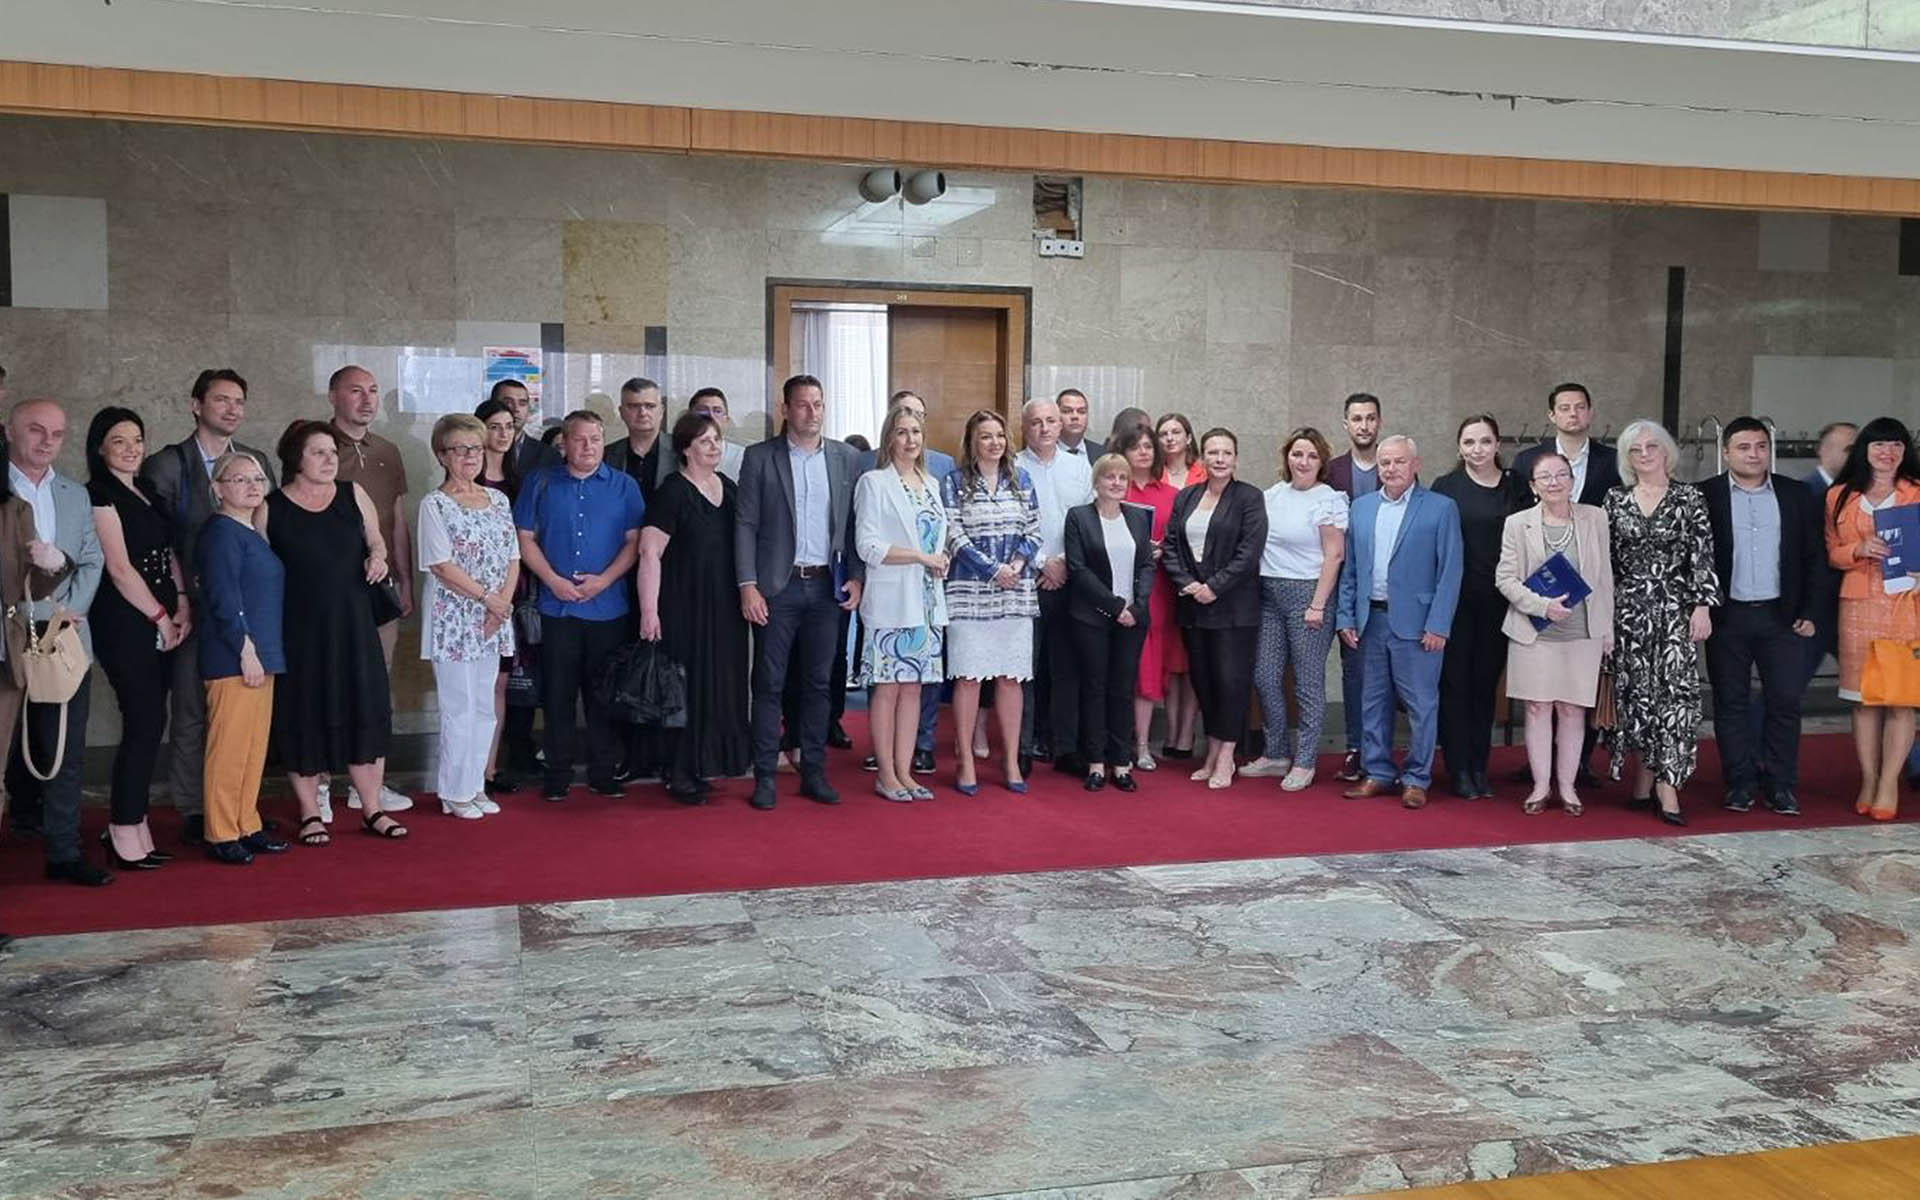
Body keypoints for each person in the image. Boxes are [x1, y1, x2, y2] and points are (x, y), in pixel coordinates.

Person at [139, 368, 277, 846]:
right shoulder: (167, 464)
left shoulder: (255, 460)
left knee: (242, 717)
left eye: (239, 400)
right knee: (192, 710)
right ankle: (195, 809)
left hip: (244, 606)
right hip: (190, 605)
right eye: (221, 399)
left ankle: (238, 811)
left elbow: (262, 531)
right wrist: (177, 600)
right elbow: (158, 541)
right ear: (196, 405)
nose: (232, 409)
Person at [258, 421, 405, 843]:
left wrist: (377, 558)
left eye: (332, 452)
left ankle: (372, 808)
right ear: (296, 459)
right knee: (303, 713)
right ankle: (310, 812)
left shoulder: (351, 494)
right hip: (299, 631)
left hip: (354, 624)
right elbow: (259, 569)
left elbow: (376, 541)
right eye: (318, 452)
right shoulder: (270, 508)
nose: (329, 460)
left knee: (364, 709)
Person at [736, 375, 864, 810]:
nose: (812, 412)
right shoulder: (760, 457)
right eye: (804, 405)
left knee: (818, 683)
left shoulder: (846, 458)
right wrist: (748, 585)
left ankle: (814, 771)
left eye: (818, 404)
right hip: (777, 587)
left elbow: (853, 524)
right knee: (768, 683)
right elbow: (746, 524)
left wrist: (856, 576)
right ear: (786, 409)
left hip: (827, 587)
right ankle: (765, 775)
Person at [513, 410, 645, 801]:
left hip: (609, 609)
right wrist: (552, 580)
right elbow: (524, 538)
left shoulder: (624, 486)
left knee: (604, 695)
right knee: (558, 695)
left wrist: (604, 580)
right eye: (579, 439)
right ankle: (558, 774)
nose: (588, 447)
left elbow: (635, 542)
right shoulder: (540, 482)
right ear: (564, 444)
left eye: (595, 439)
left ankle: (604, 772)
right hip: (556, 609)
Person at [5, 399, 110, 885]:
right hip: (5, 635)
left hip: (62, 634)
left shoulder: (74, 493)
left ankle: (64, 852)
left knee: (64, 750)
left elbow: (92, 559)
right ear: (9, 431)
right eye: (35, 429)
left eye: (57, 433)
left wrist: (72, 610)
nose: (47, 441)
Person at [1700, 418, 1822, 817]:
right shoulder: (1705, 495)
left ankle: (1781, 785)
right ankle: (1740, 783)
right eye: (1743, 447)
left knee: (1784, 701)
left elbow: (1813, 556)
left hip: (1781, 617)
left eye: (1761, 446)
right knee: (1730, 703)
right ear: (1725, 453)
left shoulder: (1796, 494)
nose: (1753, 454)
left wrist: (1810, 610)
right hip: (1727, 616)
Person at [1335, 435, 1463, 810]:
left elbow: (1450, 570)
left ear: (1416, 464)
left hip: (1419, 625)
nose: (1391, 469)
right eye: (1385, 463)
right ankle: (1377, 772)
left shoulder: (1441, 508)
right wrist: (1346, 616)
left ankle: (1416, 778)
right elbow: (1351, 569)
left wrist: (1439, 624)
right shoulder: (1361, 508)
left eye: (1399, 462)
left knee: (1421, 705)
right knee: (1372, 702)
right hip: (1370, 620)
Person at [86, 407, 189, 870]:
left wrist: (182, 603)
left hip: (164, 616)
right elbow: (120, 569)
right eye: (119, 440)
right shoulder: (98, 495)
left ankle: (135, 822)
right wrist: (160, 617)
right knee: (143, 720)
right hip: (126, 622)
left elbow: (169, 552)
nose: (131, 449)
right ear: (100, 447)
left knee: (152, 721)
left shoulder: (148, 491)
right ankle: (122, 826)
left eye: (137, 439)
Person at [1603, 419, 1718, 826]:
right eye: (1635, 449)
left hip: (1674, 610)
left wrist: (1702, 606)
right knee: (1637, 698)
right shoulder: (1615, 499)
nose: (1645, 454)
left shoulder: (1690, 497)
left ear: (1667, 451)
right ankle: (1643, 778)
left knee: (1674, 699)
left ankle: (1668, 789)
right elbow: (1606, 562)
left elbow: (1702, 555)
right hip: (1628, 612)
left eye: (1652, 446)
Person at [637, 411, 751, 801]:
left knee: (721, 684)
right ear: (686, 449)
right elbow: (649, 553)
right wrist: (649, 611)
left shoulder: (729, 488)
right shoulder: (672, 491)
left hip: (726, 608)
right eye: (704, 441)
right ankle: (680, 771)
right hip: (684, 607)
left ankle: (710, 762)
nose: (714, 446)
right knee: (686, 688)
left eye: (717, 439)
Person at [1495, 451, 1615, 816]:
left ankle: (1568, 787)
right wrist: (1542, 606)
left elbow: (1606, 576)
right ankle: (1540, 785)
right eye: (1545, 477)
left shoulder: (1595, 517)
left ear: (1572, 481)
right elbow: (1505, 579)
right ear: (1533, 486)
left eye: (1561, 475)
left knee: (1572, 709)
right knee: (1537, 708)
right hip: (1534, 631)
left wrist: (1607, 629)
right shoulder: (1518, 523)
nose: (1554, 482)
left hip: (1583, 631)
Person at [419, 414, 520, 820]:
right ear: (442, 455)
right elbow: (441, 565)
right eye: (459, 449)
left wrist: (502, 604)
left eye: (475, 448)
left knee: (484, 707)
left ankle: (475, 784)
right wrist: (488, 600)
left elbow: (513, 556)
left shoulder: (498, 500)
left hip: (494, 616)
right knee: (458, 707)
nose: (470, 456)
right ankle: (454, 791)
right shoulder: (434, 504)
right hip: (454, 618)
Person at [851, 390, 957, 772]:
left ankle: (904, 771)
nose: (910, 439)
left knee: (913, 688)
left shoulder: (931, 483)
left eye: (916, 431)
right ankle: (886, 773)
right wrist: (920, 557)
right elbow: (867, 546)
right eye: (902, 432)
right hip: (891, 602)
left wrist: (940, 558)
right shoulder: (874, 482)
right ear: (889, 439)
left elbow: (936, 537)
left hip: (927, 602)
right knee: (888, 688)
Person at [325, 364, 414, 815]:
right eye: (355, 390)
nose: (366, 399)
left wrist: (405, 580)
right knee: (331, 681)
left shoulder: (388, 450)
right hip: (332, 587)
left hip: (382, 586)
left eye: (373, 391)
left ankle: (370, 785)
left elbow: (396, 520)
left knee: (378, 684)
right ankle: (322, 781)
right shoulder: (317, 445)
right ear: (333, 396)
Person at [195, 452, 291, 864]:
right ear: (218, 488)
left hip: (262, 654)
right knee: (230, 749)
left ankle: (245, 823)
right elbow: (223, 595)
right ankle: (221, 831)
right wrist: (244, 648)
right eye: (239, 479)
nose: (252, 486)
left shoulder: (249, 530)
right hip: (235, 655)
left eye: (258, 478)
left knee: (252, 748)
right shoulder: (221, 533)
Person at [1824, 416, 1920, 821]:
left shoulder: (1916, 493)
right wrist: (1858, 549)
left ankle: (1888, 784)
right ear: (1864, 450)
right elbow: (1832, 552)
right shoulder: (1840, 495)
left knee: (1901, 698)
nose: (1887, 452)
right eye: (1879, 444)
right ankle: (1869, 777)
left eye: (1896, 445)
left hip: (1906, 606)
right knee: (1862, 699)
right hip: (1858, 606)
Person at [1430, 414, 1530, 799]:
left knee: (1485, 685)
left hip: (1500, 601)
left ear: (1497, 445)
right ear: (1459, 447)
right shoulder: (1446, 487)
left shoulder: (1516, 486)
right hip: (1455, 602)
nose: (1477, 449)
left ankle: (1478, 766)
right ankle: (1457, 768)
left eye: (1485, 441)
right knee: (1455, 685)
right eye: (1469, 442)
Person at [1243, 427, 1348, 792]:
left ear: (1321, 462)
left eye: (1311, 456)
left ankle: (1304, 761)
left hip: (1309, 596)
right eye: (1297, 454)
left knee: (1307, 682)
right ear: (1286, 456)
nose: (1303, 461)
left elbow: (1335, 554)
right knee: (1265, 676)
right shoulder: (1271, 496)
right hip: (1269, 595)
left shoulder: (1329, 499)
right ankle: (1275, 753)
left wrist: (1318, 604)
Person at [942, 409, 1038, 795]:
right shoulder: (954, 482)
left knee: (1011, 679)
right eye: (985, 436)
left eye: (999, 435)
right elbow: (953, 534)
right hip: (969, 593)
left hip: (1015, 593)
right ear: (972, 442)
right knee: (968, 678)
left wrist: (1016, 564)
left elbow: (1034, 529)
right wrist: (992, 569)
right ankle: (965, 758)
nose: (994, 442)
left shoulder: (1021, 479)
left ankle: (1011, 759)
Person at [1165, 428, 1267, 789]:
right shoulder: (1187, 497)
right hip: (1194, 607)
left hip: (1233, 608)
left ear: (1235, 458)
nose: (1219, 459)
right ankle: (1211, 750)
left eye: (1226, 452)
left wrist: (1214, 587)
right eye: (1213, 452)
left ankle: (1226, 756)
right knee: (1204, 681)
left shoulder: (1250, 498)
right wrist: (1188, 584)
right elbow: (1172, 546)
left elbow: (1249, 553)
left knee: (1230, 682)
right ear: (1202, 457)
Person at [1064, 454, 1154, 791]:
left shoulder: (1137, 518)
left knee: (1122, 690)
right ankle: (1096, 763)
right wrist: (1116, 606)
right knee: (1094, 688)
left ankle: (1121, 762)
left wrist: (1137, 607)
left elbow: (1147, 565)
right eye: (1109, 477)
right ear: (1096, 481)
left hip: (1133, 620)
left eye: (1122, 477)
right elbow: (1078, 569)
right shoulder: (1079, 517)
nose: (1116, 483)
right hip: (1093, 617)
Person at [1016, 397, 1095, 774]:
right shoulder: (1013, 468)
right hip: (1025, 580)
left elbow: (1089, 520)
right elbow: (1011, 527)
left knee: (1067, 668)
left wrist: (1063, 562)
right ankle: (1023, 747)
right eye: (1036, 422)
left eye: (1050, 420)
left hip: (1071, 580)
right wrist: (1041, 562)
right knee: (1025, 669)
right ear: (1024, 428)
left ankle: (1065, 748)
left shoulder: (1079, 468)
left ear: (1060, 425)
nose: (1044, 428)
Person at [1325, 392, 1382, 783]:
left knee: (1383, 674)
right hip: (1341, 583)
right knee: (1354, 672)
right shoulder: (1331, 472)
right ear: (1346, 424)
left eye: (1370, 418)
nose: (1364, 425)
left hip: (1385, 587)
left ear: (1380, 422)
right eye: (1357, 419)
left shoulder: (1394, 465)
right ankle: (1355, 748)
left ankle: (1380, 750)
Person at [1117, 423, 1181, 770]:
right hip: (1117, 586)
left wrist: (1161, 550)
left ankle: (1141, 745)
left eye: (1148, 446)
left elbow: (1180, 542)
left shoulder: (1171, 494)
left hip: (1157, 588)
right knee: (1118, 665)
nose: (1143, 452)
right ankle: (1115, 741)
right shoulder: (1114, 488)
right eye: (1135, 446)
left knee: (1148, 666)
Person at [1512, 382, 1623, 508]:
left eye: (1580, 407)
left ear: (1590, 412)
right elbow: (1517, 508)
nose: (1573, 414)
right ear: (1552, 415)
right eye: (1565, 408)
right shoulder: (1526, 460)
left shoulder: (1614, 460)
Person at [604, 376, 673, 507]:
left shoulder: (683, 451)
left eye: (650, 406)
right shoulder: (605, 456)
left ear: (662, 411)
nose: (642, 413)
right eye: (634, 406)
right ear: (621, 412)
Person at [490, 377, 551, 479]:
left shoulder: (547, 454)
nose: (516, 409)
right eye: (508, 402)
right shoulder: (475, 450)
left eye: (522, 403)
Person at [688, 387, 746, 480]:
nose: (711, 416)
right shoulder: (675, 454)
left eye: (717, 411)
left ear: (726, 420)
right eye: (703, 410)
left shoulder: (742, 457)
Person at [475, 398, 521, 496]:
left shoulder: (520, 476)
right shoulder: (470, 473)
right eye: (494, 427)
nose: (504, 434)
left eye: (509, 427)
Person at [1154, 412, 1207, 490]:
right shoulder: (1153, 474)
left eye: (1176, 432)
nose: (1169, 438)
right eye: (1164, 434)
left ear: (1188, 438)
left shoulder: (1204, 473)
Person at [1057, 388, 1102, 458]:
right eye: (1067, 411)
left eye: (1081, 412)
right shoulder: (1042, 452)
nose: (1075, 416)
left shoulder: (1102, 454)